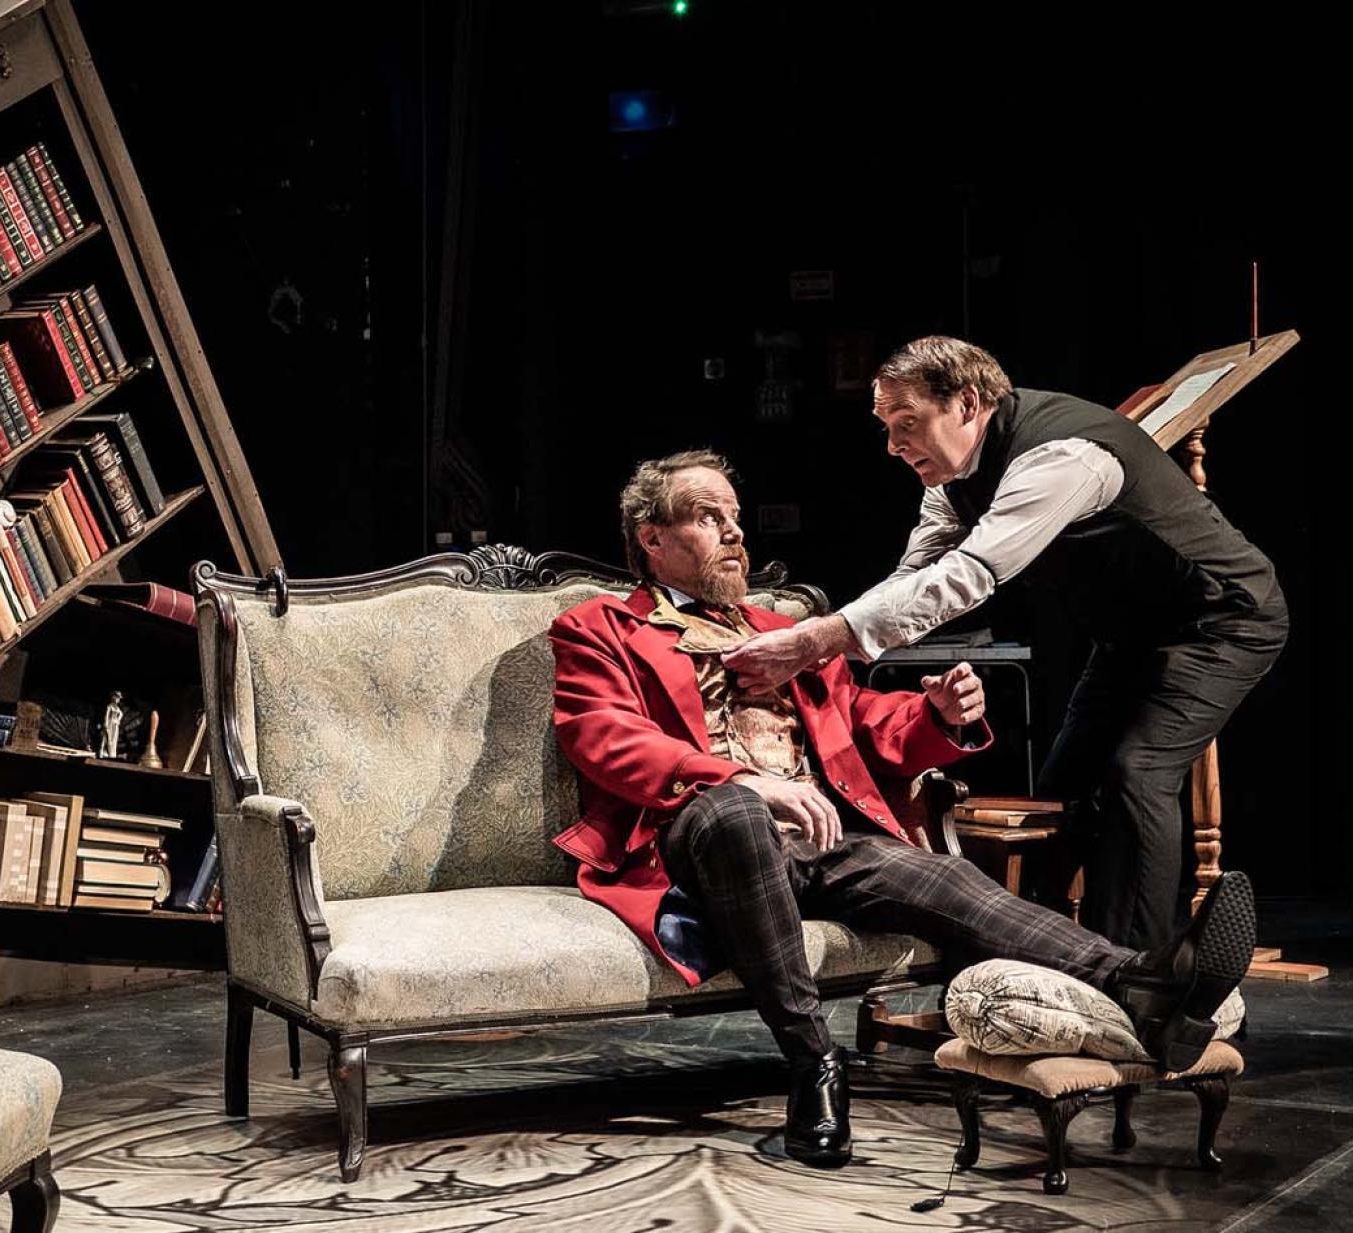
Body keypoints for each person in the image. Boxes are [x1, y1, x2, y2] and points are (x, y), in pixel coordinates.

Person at [550, 448, 1256, 1169]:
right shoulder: (600, 627)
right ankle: (814, 1062)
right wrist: (739, 777)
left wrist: (937, 715)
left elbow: (858, 717)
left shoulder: (782, 626)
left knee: (943, 877)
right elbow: (602, 735)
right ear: (652, 537)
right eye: (708, 517)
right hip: (697, 840)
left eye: (736, 516)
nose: (735, 532)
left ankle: (1139, 981)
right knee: (734, 811)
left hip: (820, 836)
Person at [720, 338, 1288, 952]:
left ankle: (1143, 974)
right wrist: (820, 641)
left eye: (906, 423)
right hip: (1129, 634)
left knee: (1138, 774)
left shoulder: (1065, 455)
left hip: (1221, 616)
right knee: (1062, 786)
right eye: (886, 427)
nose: (893, 445)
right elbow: (914, 580)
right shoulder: (950, 480)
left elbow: (971, 574)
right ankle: (1062, 953)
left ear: (966, 402)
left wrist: (818, 640)